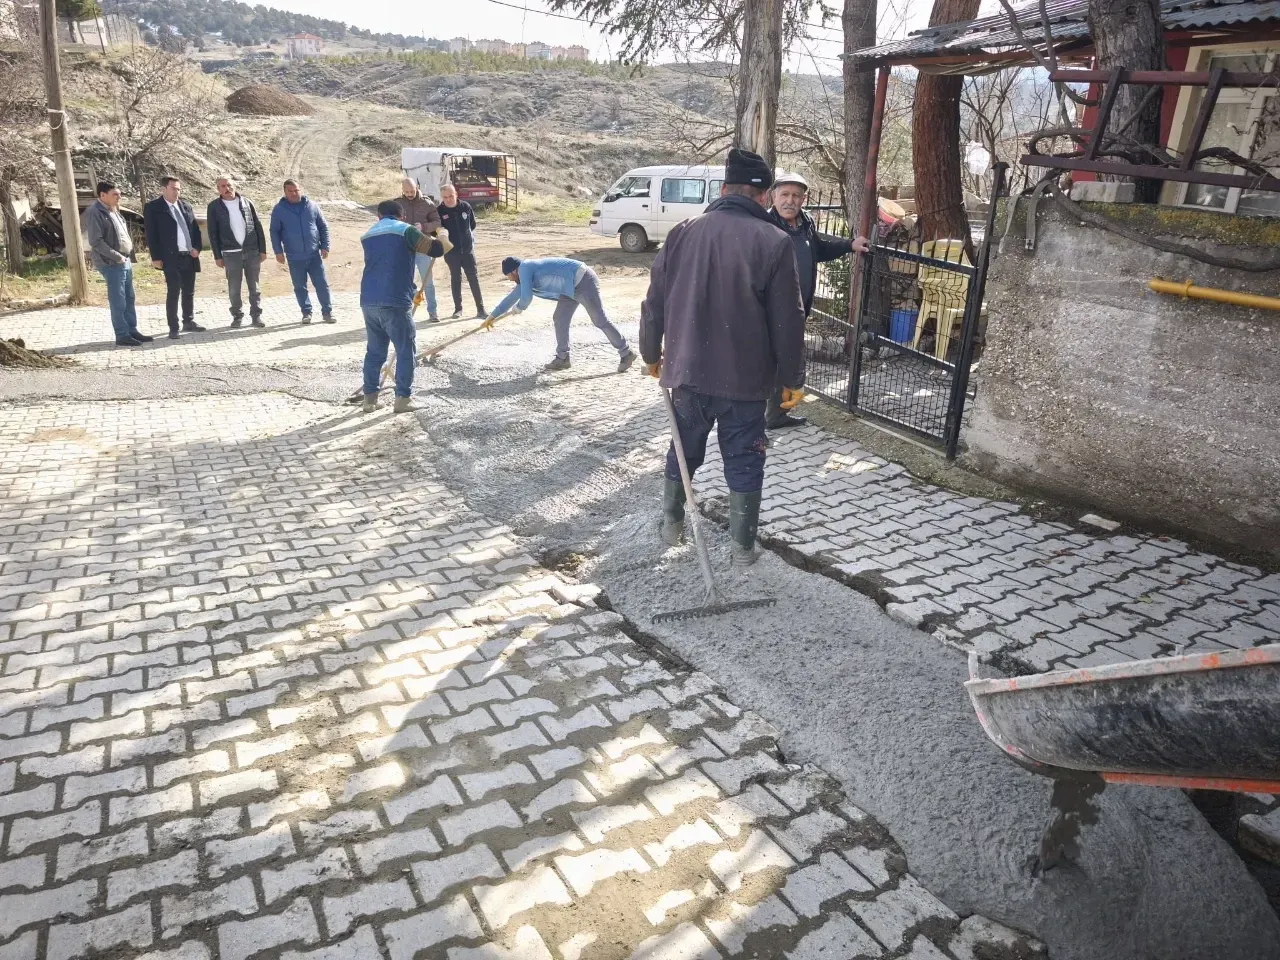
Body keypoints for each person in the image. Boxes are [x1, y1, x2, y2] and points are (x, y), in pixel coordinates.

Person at [639, 147, 806, 565]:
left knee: (684, 448)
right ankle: (742, 550)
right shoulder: (774, 241)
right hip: (745, 382)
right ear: (764, 195)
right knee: (745, 458)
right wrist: (793, 379)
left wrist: (650, 353)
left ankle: (671, 527)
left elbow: (654, 301)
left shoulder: (682, 232)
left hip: (688, 373)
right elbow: (789, 320)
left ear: (724, 188)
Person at [766, 172, 870, 429]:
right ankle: (753, 426)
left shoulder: (806, 223)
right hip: (768, 310)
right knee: (765, 365)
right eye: (785, 195)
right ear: (773, 196)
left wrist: (850, 245)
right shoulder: (764, 225)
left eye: (796, 196)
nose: (790, 201)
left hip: (798, 308)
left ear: (804, 199)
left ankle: (776, 416)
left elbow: (819, 250)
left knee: (787, 361)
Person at [358, 200, 444, 414]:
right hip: (395, 300)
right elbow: (436, 249)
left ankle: (369, 400)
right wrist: (443, 234)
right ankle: (403, 399)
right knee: (405, 350)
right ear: (402, 215)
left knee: (375, 352)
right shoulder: (405, 230)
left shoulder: (369, 234)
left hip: (368, 300)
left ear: (379, 216)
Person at [487, 256, 636, 373]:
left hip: (583, 281)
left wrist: (520, 308)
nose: (510, 279)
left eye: (509, 276)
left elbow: (526, 298)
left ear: (513, 271)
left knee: (599, 319)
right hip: (569, 289)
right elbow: (513, 297)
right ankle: (563, 357)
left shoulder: (524, 268)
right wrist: (491, 317)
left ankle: (626, 352)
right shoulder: (524, 277)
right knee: (559, 318)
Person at [85, 181, 153, 347]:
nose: (119, 197)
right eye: (115, 194)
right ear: (102, 195)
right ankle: (122, 335)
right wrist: (117, 257)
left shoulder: (114, 210)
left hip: (124, 260)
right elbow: (96, 241)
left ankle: (132, 330)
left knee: (129, 297)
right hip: (111, 262)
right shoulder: (95, 212)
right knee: (118, 300)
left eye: (119, 194)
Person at [143, 175, 205, 339]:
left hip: (189, 255)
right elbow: (151, 234)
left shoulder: (185, 206)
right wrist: (155, 257)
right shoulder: (153, 208)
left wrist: (197, 248)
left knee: (189, 291)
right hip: (170, 257)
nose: (177, 192)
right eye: (173, 189)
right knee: (173, 291)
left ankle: (188, 321)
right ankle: (173, 327)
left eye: (178, 189)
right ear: (164, 189)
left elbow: (195, 230)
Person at [206, 176, 268, 328]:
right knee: (234, 288)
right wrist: (217, 256)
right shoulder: (214, 207)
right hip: (230, 252)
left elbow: (257, 226)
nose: (227, 189)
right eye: (222, 186)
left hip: (251, 250)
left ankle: (256, 316)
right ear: (218, 189)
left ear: (234, 186)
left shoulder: (247, 203)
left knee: (254, 286)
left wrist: (263, 249)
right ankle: (237, 316)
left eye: (229, 185)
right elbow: (212, 233)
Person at [270, 178, 334, 324]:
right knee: (300, 287)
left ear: (301, 190)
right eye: (290, 191)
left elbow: (323, 227)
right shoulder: (279, 210)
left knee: (322, 284)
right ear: (285, 192)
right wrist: (278, 251)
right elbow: (274, 231)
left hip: (314, 255)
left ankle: (327, 312)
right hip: (294, 256)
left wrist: (325, 246)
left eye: (296, 190)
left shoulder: (312, 206)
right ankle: (306, 312)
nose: (294, 193)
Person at [391, 177, 442, 322]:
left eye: (412, 191)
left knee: (428, 282)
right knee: (405, 280)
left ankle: (433, 311)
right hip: (404, 248)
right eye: (406, 191)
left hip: (423, 246)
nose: (409, 194)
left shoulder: (427, 203)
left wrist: (424, 227)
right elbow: (391, 222)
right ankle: (407, 309)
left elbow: (437, 222)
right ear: (402, 190)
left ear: (417, 187)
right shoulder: (397, 204)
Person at [438, 183, 485, 319]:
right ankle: (458, 309)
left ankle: (481, 309)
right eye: (445, 197)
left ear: (456, 194)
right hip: (451, 253)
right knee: (456, 279)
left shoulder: (465, 207)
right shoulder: (439, 211)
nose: (448, 199)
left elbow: (472, 225)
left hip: (468, 251)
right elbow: (437, 232)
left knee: (473, 279)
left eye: (451, 196)